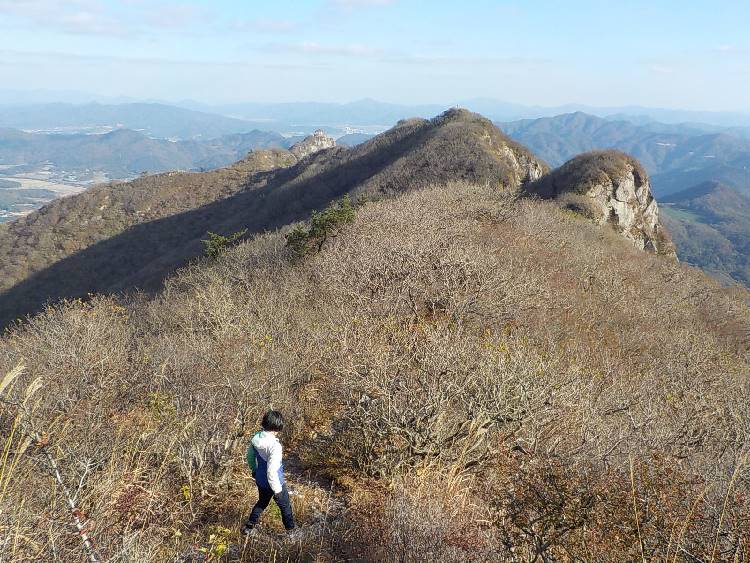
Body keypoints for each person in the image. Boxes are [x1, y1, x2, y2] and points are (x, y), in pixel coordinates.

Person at [241, 410, 296, 534]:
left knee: (262, 502)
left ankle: (249, 527)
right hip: (275, 482)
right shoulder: (275, 446)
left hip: (260, 479)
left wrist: (254, 471)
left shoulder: (256, 438)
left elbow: (250, 457)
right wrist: (277, 490)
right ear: (277, 428)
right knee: (285, 507)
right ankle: (291, 532)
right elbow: (272, 471)